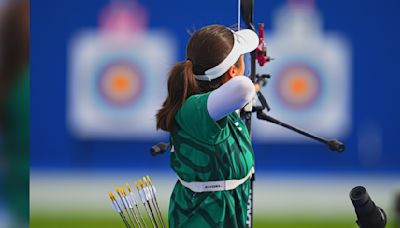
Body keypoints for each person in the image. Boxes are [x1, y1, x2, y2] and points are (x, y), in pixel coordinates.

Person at [156, 24, 259, 227]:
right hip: (205, 216)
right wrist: (250, 88)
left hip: (225, 211)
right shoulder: (195, 110)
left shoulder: (215, 109)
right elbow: (243, 88)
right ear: (233, 71)